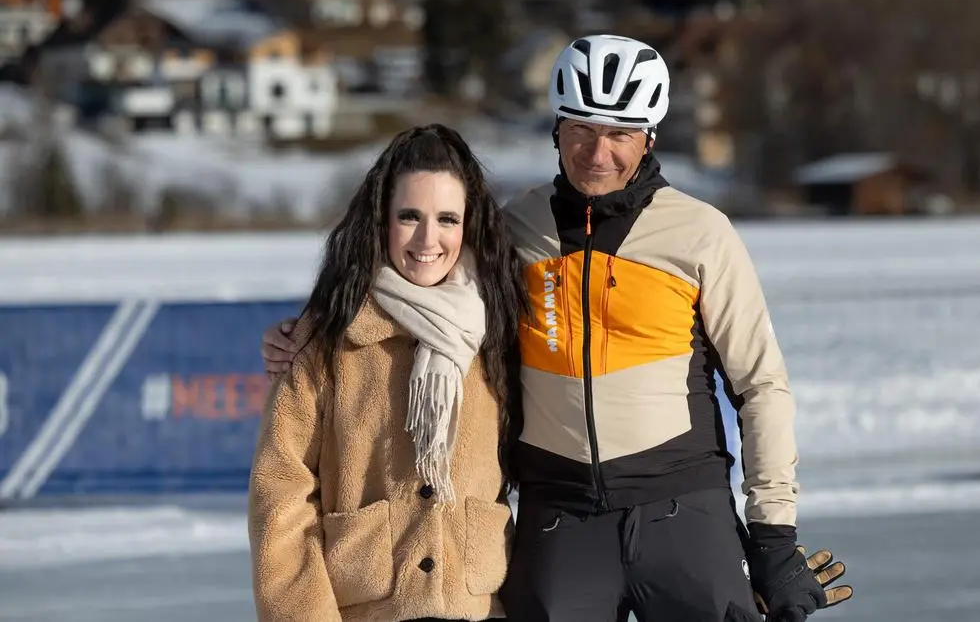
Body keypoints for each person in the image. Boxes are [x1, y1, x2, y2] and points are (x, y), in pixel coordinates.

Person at [262, 35, 852, 621]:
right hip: (561, 520)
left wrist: (773, 538)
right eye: (581, 130)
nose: (598, 153)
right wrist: (307, 332)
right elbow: (418, 284)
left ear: (649, 138)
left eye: (620, 134)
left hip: (681, 507)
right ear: (556, 130)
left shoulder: (701, 234)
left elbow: (760, 386)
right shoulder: (511, 232)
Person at [248, 124, 527, 622]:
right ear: (381, 220)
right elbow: (281, 496)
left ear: (468, 226)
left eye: (447, 219)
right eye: (409, 216)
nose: (428, 239)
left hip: (477, 608)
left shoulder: (500, 328)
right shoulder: (327, 337)